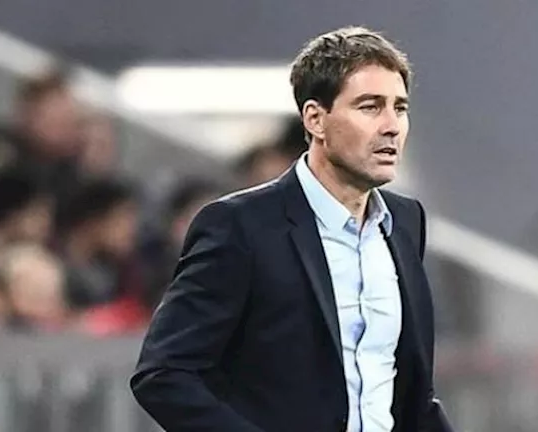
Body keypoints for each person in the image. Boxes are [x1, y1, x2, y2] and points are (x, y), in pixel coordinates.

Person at [131, 26, 454, 432]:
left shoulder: (406, 222)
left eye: (400, 108)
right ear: (316, 119)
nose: (391, 125)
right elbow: (163, 374)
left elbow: (411, 395)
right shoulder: (240, 226)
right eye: (370, 107)